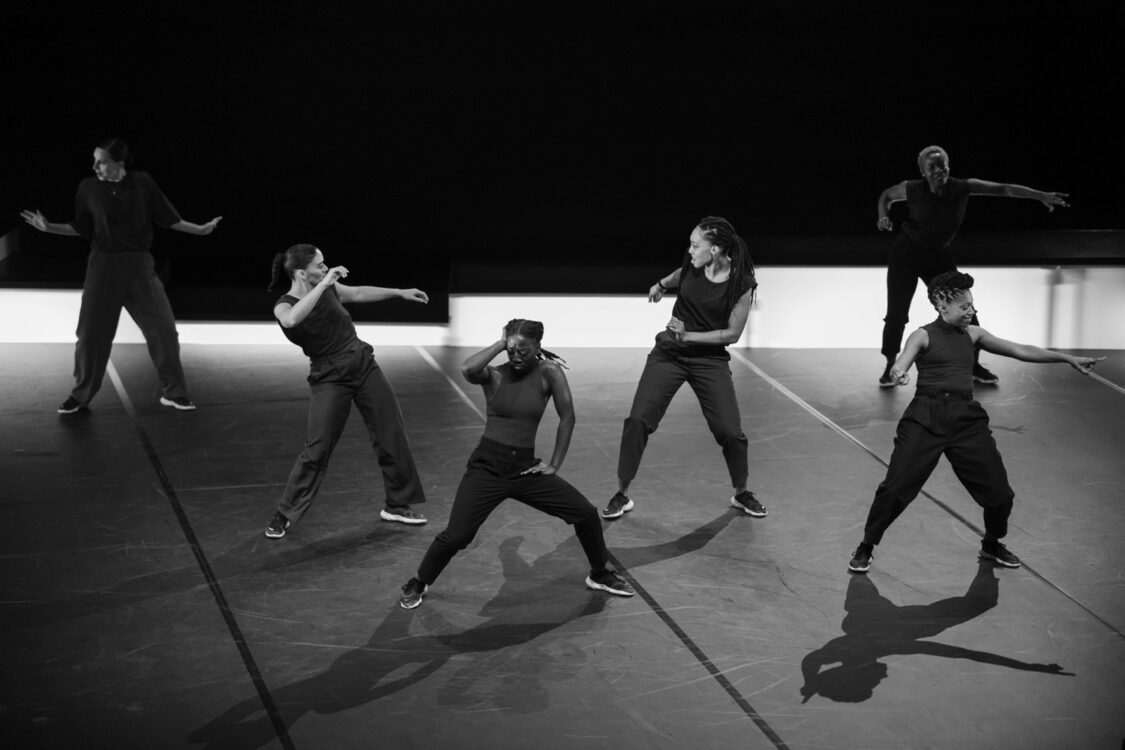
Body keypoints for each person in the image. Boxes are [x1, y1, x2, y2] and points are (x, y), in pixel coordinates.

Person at [848, 271, 1103, 574]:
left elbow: (1020, 350)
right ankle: (867, 546)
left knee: (1000, 494)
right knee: (895, 489)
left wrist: (1066, 358)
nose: (971, 311)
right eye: (964, 307)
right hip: (925, 417)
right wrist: (898, 372)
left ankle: (992, 543)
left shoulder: (974, 335)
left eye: (972, 305)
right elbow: (902, 360)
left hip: (966, 420)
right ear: (942, 306)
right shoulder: (923, 334)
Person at [398, 319, 635, 609]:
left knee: (585, 513)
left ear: (538, 346)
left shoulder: (550, 372)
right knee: (457, 535)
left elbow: (567, 417)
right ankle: (419, 581)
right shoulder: (495, 374)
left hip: (526, 469)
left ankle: (600, 573)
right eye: (511, 350)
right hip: (487, 467)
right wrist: (501, 342)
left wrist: (554, 464)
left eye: (524, 349)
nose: (516, 356)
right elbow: (467, 369)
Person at [20, 137, 222, 413]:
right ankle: (80, 395)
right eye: (94, 161)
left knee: (163, 331)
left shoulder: (142, 183)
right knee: (91, 335)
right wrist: (49, 228)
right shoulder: (88, 188)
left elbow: (168, 218)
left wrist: (200, 230)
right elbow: (82, 227)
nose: (95, 167)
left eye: (101, 162)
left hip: (139, 265)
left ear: (119, 163)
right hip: (103, 265)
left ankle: (175, 392)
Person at [602, 216, 765, 521]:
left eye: (695, 244)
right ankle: (621, 493)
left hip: (709, 360)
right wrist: (661, 284)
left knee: (730, 431)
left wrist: (688, 334)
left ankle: (741, 492)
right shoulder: (693, 264)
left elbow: (731, 334)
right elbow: (682, 273)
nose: (690, 250)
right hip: (669, 354)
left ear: (715, 249)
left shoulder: (742, 283)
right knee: (638, 419)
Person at [263, 244, 430, 539]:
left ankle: (398, 503)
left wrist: (399, 291)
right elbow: (291, 320)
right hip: (330, 376)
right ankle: (285, 513)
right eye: (320, 265)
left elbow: (359, 293)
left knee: (391, 431)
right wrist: (326, 283)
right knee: (318, 448)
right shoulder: (284, 304)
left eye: (325, 264)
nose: (325, 269)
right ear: (302, 273)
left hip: (362, 363)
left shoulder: (328, 288)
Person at [875, 145, 1069, 387]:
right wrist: (884, 214)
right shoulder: (912, 188)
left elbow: (1003, 189)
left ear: (948, 165)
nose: (939, 170)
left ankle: (974, 366)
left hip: (938, 257)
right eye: (932, 166)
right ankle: (890, 365)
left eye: (942, 164)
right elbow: (886, 195)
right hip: (906, 255)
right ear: (923, 171)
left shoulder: (961, 187)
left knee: (967, 313)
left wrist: (1039, 195)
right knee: (897, 315)